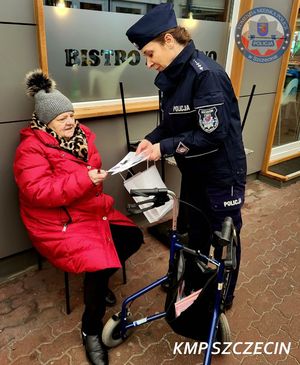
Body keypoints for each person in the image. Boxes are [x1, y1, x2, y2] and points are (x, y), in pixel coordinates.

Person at [13, 70, 143, 365]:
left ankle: (96, 283)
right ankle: (91, 330)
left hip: (89, 210)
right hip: (56, 222)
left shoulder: (81, 137)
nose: (70, 121)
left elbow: (86, 175)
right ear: (46, 122)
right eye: (62, 118)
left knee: (133, 237)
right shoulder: (30, 149)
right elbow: (38, 191)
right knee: (99, 259)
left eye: (71, 114)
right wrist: (87, 180)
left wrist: (93, 179)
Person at [126, 3, 246, 309]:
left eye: (149, 54)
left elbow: (211, 133)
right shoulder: (173, 77)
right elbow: (171, 123)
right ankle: (191, 281)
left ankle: (223, 296)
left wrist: (163, 148)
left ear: (169, 40)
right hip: (194, 171)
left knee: (224, 239)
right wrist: (151, 139)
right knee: (196, 232)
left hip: (221, 174)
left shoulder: (206, 76)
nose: (148, 63)